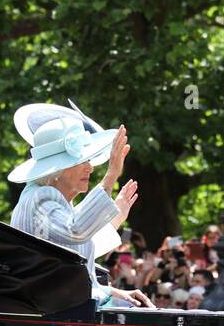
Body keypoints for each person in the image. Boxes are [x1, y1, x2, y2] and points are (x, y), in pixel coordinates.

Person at [8, 112, 151, 308]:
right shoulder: (40, 199)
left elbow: (76, 249)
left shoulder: (54, 202)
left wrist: (115, 292)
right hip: (54, 314)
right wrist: (110, 178)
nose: (90, 168)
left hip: (65, 307)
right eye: (81, 162)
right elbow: (76, 232)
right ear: (55, 171)